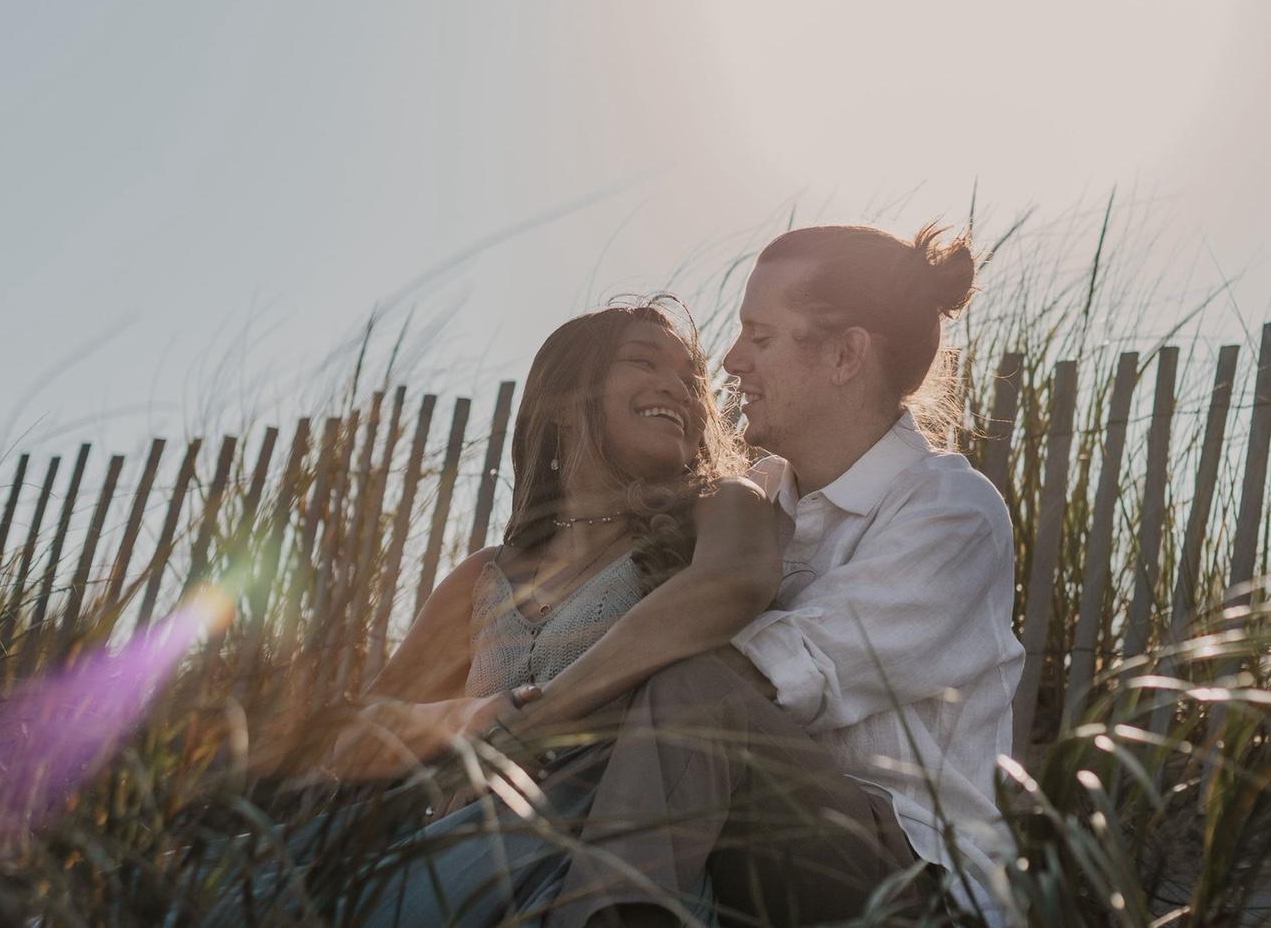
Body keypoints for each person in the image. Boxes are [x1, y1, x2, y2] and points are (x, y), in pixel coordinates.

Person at [230, 298, 781, 926]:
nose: (677, 388)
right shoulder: (483, 576)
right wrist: (481, 718)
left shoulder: (721, 507)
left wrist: (538, 719)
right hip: (450, 831)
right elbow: (355, 740)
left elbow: (732, 583)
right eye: (643, 362)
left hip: (602, 844)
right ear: (564, 400)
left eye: (690, 378)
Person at [544, 223, 1024, 927]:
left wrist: (543, 712)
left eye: (760, 337)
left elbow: (776, 673)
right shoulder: (755, 503)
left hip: (917, 884)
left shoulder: (950, 510)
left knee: (694, 687)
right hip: (751, 849)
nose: (730, 360)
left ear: (844, 355)